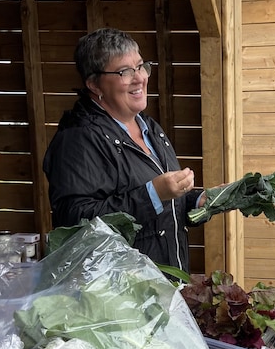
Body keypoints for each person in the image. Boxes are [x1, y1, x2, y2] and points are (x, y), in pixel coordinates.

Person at [43, 27, 204, 272]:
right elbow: (74, 220)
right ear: (95, 85)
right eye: (124, 72)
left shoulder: (149, 127)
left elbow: (161, 204)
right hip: (121, 296)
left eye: (140, 66)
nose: (140, 78)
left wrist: (200, 200)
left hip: (163, 286)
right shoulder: (78, 139)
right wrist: (153, 195)